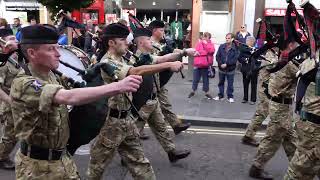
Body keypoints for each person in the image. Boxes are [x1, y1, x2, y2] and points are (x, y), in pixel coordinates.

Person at [10, 24, 143, 179]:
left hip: (63, 160)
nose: (58, 54)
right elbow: (67, 97)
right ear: (32, 53)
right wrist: (117, 87)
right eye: (50, 49)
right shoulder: (24, 82)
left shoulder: (53, 75)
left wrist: (93, 77)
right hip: (36, 169)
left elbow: (80, 90)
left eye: (57, 48)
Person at [87, 23, 185, 180]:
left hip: (127, 121)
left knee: (140, 163)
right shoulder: (107, 62)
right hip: (111, 124)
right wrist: (169, 65)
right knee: (97, 168)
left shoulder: (126, 57)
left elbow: (154, 59)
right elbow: (135, 71)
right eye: (123, 39)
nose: (127, 42)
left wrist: (180, 54)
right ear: (111, 43)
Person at [132, 27, 193, 162]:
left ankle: (171, 152)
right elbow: (160, 63)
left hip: (153, 100)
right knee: (133, 131)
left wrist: (182, 53)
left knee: (161, 128)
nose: (151, 42)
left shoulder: (148, 56)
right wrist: (172, 62)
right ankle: (128, 156)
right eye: (148, 40)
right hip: (142, 103)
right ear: (141, 43)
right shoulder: (137, 58)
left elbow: (163, 58)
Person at [249, 41, 299, 180]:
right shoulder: (288, 63)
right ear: (290, 46)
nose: (298, 47)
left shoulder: (283, 59)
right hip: (281, 107)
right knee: (272, 139)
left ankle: (299, 169)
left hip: (283, 106)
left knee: (291, 139)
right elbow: (305, 73)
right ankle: (256, 167)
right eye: (296, 45)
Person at [149, 20, 191, 136]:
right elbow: (159, 60)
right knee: (144, 111)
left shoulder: (162, 43)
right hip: (151, 82)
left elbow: (172, 51)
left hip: (159, 81)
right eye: (161, 30)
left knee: (165, 103)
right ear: (154, 31)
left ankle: (176, 125)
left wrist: (186, 52)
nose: (164, 32)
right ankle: (135, 131)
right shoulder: (150, 45)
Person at [284, 53, 320, 180]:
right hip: (313, 128)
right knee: (298, 173)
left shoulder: (311, 60)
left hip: (306, 122)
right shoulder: (313, 61)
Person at [242, 48, 278, 147]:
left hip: (268, 88)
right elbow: (273, 65)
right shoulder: (270, 54)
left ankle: (249, 135)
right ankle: (249, 136)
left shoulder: (274, 53)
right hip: (265, 89)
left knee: (264, 113)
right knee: (264, 112)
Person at [0, 28, 20, 170]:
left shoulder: (19, 56)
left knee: (17, 133)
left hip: (21, 102)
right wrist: (11, 102)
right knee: (9, 135)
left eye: (15, 38)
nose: (15, 41)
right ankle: (2, 157)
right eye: (11, 39)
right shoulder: (3, 64)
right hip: (10, 103)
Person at [214, 33, 239, 103]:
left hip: (230, 69)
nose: (227, 39)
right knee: (221, 83)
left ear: (232, 39)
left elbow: (235, 59)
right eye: (226, 38)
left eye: (228, 38)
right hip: (221, 69)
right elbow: (217, 56)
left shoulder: (235, 48)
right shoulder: (222, 46)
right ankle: (220, 95)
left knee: (230, 84)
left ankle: (230, 96)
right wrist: (221, 64)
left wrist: (227, 64)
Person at [188, 32, 215, 99]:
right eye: (204, 36)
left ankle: (206, 92)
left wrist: (205, 46)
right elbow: (196, 51)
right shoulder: (199, 43)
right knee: (195, 79)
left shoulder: (210, 44)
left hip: (205, 64)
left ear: (209, 37)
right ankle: (193, 91)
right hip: (198, 63)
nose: (204, 37)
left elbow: (211, 51)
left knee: (206, 79)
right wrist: (203, 52)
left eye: (206, 36)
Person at [238, 36, 258, 105]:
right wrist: (245, 60)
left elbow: (258, 59)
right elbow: (239, 58)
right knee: (245, 84)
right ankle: (245, 98)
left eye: (249, 41)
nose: (247, 42)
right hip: (245, 68)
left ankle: (253, 99)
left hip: (254, 69)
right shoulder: (243, 48)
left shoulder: (256, 49)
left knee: (253, 85)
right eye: (247, 41)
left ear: (252, 42)